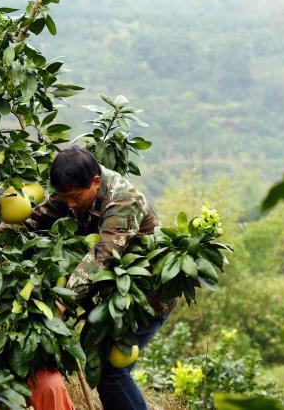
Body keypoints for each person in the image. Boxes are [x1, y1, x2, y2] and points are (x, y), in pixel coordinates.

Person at [23, 145, 176, 410]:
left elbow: (102, 256)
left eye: (73, 197)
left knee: (111, 372)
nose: (69, 204)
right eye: (64, 196)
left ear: (95, 182)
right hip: (110, 298)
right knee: (100, 361)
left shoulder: (124, 201)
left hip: (145, 298)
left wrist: (63, 301)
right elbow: (34, 219)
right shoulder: (73, 189)